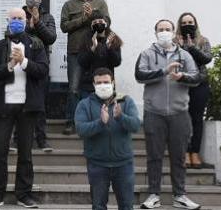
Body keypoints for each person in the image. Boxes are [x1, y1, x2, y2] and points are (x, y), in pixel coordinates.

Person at [0, 7, 49, 209]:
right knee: (0, 152)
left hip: (27, 106)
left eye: (20, 18)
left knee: (25, 153)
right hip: (3, 106)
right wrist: (9, 65)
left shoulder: (36, 44)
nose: (16, 21)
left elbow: (43, 71)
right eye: (13, 18)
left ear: (26, 20)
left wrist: (24, 62)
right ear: (7, 20)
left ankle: (24, 194)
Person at [135, 19, 202, 210]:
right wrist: (164, 71)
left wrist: (182, 77)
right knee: (154, 156)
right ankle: (153, 194)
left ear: (173, 32)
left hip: (179, 113)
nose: (164, 32)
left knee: (179, 156)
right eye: (160, 29)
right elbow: (140, 75)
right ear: (155, 32)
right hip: (154, 113)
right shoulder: (146, 54)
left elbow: (196, 77)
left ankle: (180, 195)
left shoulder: (185, 55)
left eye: (167, 29)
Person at [75, 67, 140, 210]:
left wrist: (121, 117)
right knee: (98, 206)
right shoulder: (84, 104)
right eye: (99, 83)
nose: (102, 85)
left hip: (123, 165)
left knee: (127, 206)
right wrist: (100, 123)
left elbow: (136, 125)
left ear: (113, 82)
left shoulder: (126, 101)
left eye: (106, 82)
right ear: (93, 84)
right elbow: (81, 130)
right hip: (97, 165)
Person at [60, 0, 110, 135]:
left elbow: (107, 22)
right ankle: (71, 122)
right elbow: (64, 26)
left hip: (96, 51)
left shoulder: (100, 3)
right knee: (73, 88)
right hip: (75, 51)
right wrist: (83, 18)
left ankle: (98, 120)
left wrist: (95, 17)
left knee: (98, 86)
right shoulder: (69, 5)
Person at [10, 0, 57, 152]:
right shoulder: (18, 15)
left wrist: (37, 23)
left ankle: (42, 140)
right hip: (18, 65)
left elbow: (51, 38)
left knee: (39, 105)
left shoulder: (48, 17)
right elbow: (11, 35)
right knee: (18, 103)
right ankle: (16, 140)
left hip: (39, 66)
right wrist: (28, 25)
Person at [175, 12, 212, 169]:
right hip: (181, 84)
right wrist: (182, 46)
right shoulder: (174, 41)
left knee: (197, 119)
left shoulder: (203, 41)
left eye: (190, 22)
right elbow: (173, 59)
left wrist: (192, 48)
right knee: (182, 120)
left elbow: (207, 58)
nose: (187, 25)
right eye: (184, 23)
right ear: (179, 25)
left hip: (200, 84)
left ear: (195, 23)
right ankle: (184, 152)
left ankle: (194, 152)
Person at [77, 13, 122, 99]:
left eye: (100, 21)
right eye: (95, 22)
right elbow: (82, 62)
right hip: (88, 86)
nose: (98, 23)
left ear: (105, 24)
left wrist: (109, 47)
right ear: (91, 25)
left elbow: (117, 62)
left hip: (106, 84)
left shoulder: (113, 39)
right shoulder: (85, 39)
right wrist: (93, 48)